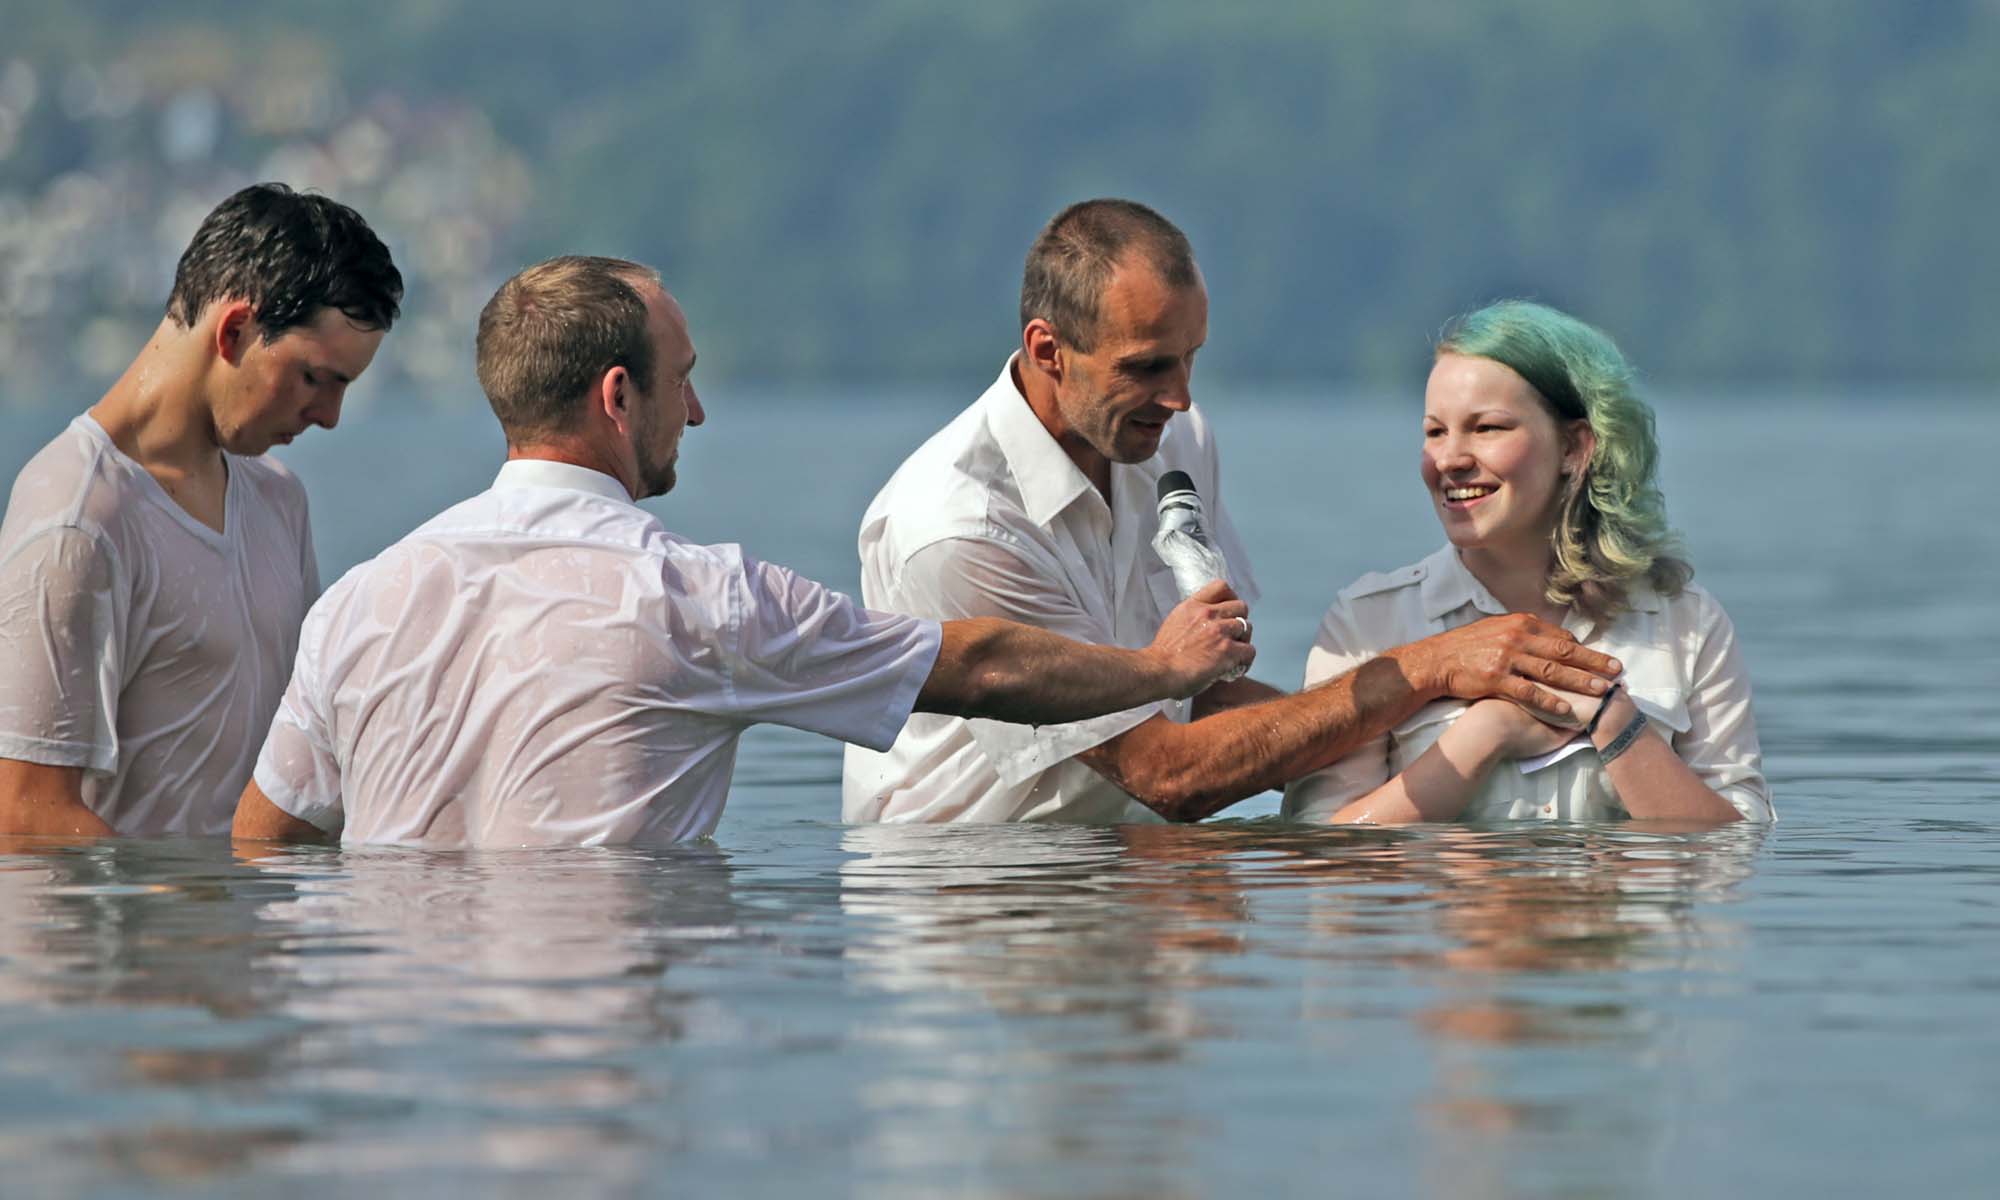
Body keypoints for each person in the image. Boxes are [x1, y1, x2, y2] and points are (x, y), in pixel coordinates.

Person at [231, 256, 1253, 849]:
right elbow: (979, 667)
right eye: (682, 379)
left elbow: (263, 844)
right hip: (607, 1067)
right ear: (618, 397)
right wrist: (1162, 668)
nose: (698, 411)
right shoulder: (696, 598)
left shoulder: (356, 603)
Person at [843, 199, 1622, 826]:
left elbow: (1211, 697)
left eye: (1191, 357)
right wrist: (1431, 667)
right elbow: (1166, 775)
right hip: (972, 892)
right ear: (1048, 350)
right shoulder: (956, 529)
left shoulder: (1172, 437)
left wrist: (1452, 742)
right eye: (1147, 367)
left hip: (1127, 864)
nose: (1180, 397)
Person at [0, 183, 402, 837]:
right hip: (139, 909)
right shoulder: (79, 515)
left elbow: (302, 764)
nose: (329, 416)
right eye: (314, 377)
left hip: (264, 905)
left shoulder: (280, 499)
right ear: (235, 330)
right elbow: (24, 815)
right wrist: (179, 900)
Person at [1283, 300, 1772, 825]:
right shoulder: (1367, 622)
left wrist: (1616, 725)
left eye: (1487, 428)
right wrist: (1484, 734)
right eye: (1435, 432)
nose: (1450, 459)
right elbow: (1325, 843)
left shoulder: (1689, 624)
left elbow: (1739, 841)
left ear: (1574, 447)